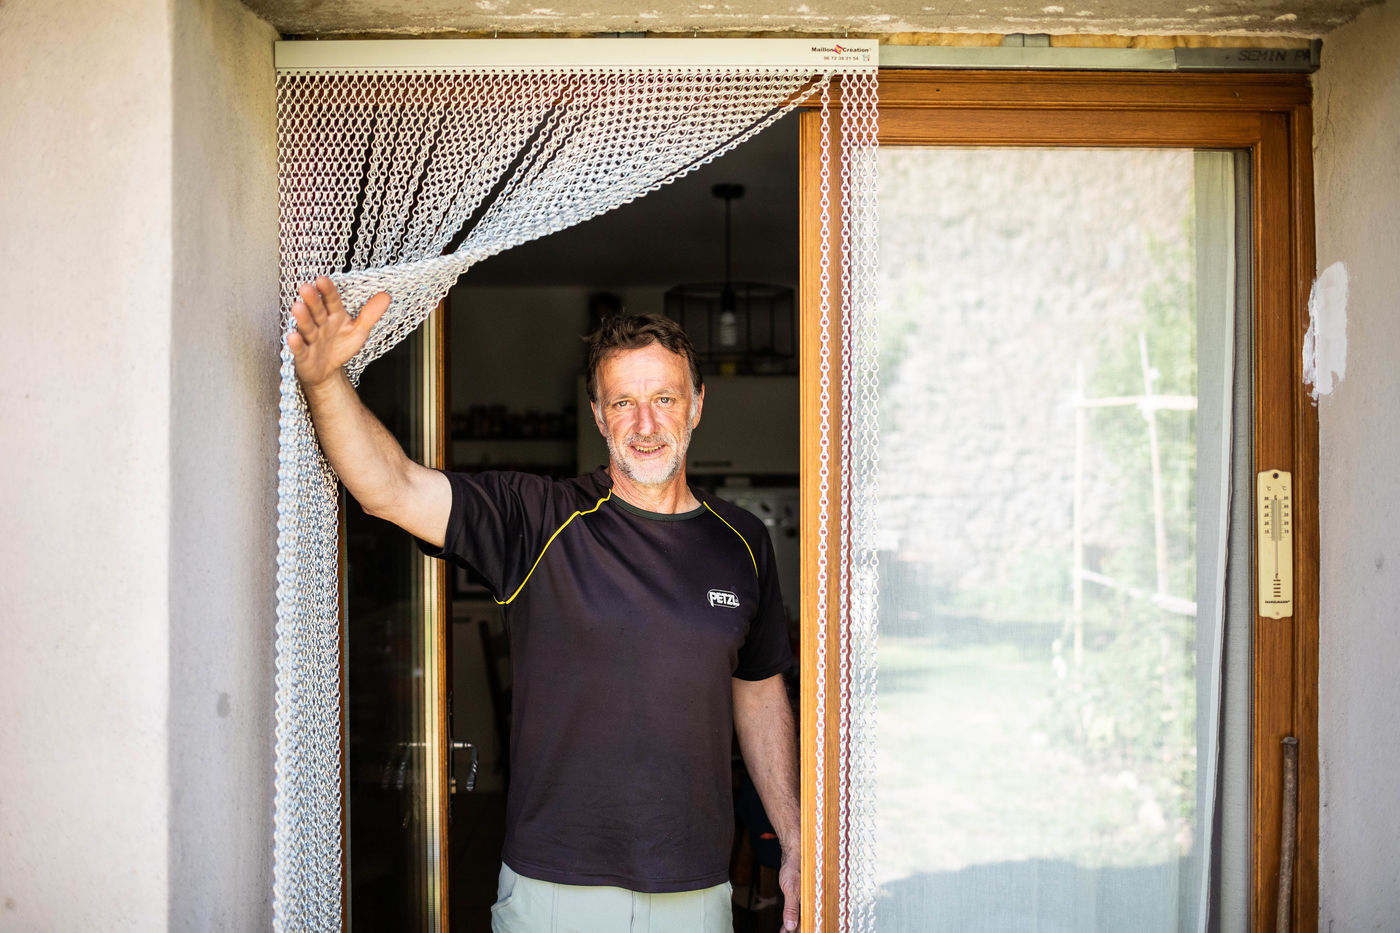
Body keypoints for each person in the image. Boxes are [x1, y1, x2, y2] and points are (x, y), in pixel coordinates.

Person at [288, 276, 801, 933]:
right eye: (623, 402)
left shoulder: (744, 541)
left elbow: (758, 689)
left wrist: (792, 835)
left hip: (695, 887)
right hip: (556, 887)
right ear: (598, 415)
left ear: (696, 405)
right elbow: (390, 489)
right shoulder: (535, 519)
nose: (645, 424)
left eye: (665, 398)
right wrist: (326, 382)